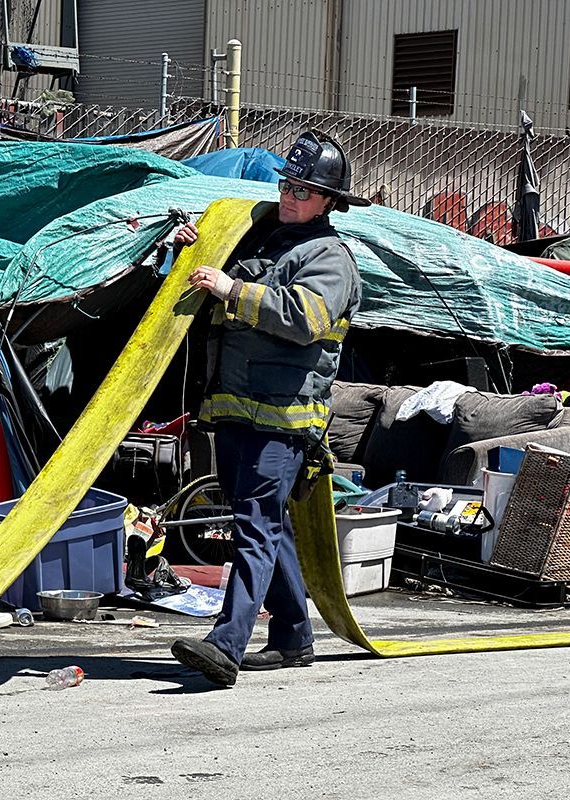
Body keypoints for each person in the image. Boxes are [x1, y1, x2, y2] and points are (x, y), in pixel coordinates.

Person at [169, 131, 366, 686]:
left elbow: (303, 317)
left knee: (254, 526)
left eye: (304, 191)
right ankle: (294, 636)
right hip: (236, 411)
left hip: (282, 421)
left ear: (329, 201)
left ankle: (227, 644)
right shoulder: (261, 244)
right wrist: (194, 247)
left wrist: (231, 287)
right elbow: (206, 286)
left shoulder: (329, 258)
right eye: (287, 185)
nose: (291, 197)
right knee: (267, 524)